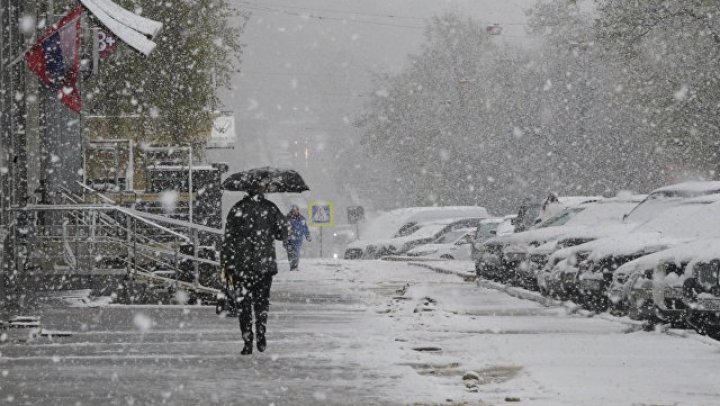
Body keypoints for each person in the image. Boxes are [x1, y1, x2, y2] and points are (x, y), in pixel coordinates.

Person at [221, 187, 288, 355]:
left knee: (243, 306)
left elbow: (228, 239)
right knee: (261, 302)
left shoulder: (237, 209)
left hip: (240, 267)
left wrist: (226, 265)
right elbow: (283, 233)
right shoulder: (270, 208)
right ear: (262, 191)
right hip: (264, 266)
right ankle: (261, 332)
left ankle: (247, 341)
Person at [285, 205, 311, 271]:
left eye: (296, 210)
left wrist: (307, 236)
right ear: (291, 211)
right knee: (290, 253)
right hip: (290, 240)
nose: (295, 212)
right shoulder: (288, 219)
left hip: (299, 240)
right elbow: (285, 229)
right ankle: (292, 266)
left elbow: (305, 228)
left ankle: (295, 266)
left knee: (297, 253)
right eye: (293, 211)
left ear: (298, 210)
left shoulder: (302, 218)